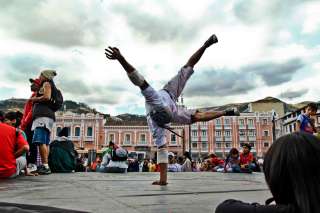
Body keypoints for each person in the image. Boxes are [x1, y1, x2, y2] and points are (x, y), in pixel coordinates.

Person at [105, 34, 239, 185]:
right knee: (197, 115)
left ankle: (206, 45)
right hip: (172, 102)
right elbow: (162, 150)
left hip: (169, 92)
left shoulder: (153, 100)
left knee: (188, 69)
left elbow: (138, 78)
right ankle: (225, 112)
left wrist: (121, 59)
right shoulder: (158, 124)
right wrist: (162, 180)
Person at [216, 132, 320, 213]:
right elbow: (237, 163)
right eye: (243, 148)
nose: (244, 149)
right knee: (235, 168)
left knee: (246, 167)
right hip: (241, 167)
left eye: (246, 148)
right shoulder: (240, 155)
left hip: (248, 167)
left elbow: (224, 208)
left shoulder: (250, 155)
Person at [31, 70, 58, 175]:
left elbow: (46, 96)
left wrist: (35, 99)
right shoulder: (49, 85)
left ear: (44, 76)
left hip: (42, 117)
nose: (39, 77)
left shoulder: (46, 83)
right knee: (45, 142)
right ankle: (46, 165)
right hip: (48, 117)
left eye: (40, 75)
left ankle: (45, 166)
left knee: (41, 140)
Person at [21, 78, 41, 173]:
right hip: (28, 122)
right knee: (30, 143)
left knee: (31, 144)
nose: (31, 85)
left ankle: (31, 164)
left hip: (29, 123)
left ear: (38, 85)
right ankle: (30, 163)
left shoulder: (35, 96)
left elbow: (31, 111)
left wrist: (24, 122)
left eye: (33, 83)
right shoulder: (33, 95)